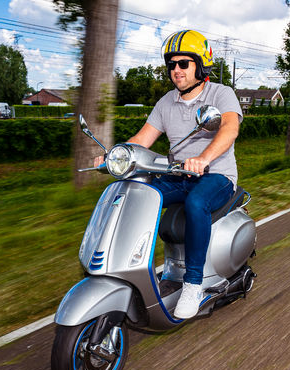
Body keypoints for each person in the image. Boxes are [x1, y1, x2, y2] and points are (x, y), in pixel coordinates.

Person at [96, 30, 242, 319]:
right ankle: (134, 267)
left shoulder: (221, 94)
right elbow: (142, 139)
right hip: (179, 175)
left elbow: (229, 129)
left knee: (196, 203)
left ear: (201, 66)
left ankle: (193, 284)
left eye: (184, 64)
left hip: (217, 175)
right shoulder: (166, 102)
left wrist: (203, 158)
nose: (176, 70)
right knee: (140, 193)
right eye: (172, 65)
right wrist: (115, 156)